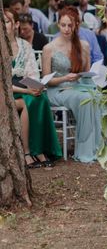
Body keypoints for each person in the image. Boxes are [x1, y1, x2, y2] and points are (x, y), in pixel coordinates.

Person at [42, 7, 103, 163]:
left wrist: (89, 76)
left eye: (70, 25)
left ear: (77, 25)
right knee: (85, 99)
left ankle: (98, 147)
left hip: (78, 87)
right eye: (63, 25)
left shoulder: (84, 45)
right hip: (57, 90)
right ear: (58, 24)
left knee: (96, 95)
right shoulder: (49, 48)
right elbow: (46, 80)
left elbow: (86, 73)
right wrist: (64, 79)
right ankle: (85, 151)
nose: (67, 29)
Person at [5, 9, 62, 167]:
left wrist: (35, 86)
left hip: (24, 85)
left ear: (16, 24)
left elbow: (31, 73)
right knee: (29, 101)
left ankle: (41, 150)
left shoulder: (25, 45)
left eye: (7, 22)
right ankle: (28, 152)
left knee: (41, 97)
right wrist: (27, 91)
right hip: (7, 92)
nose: (3, 26)